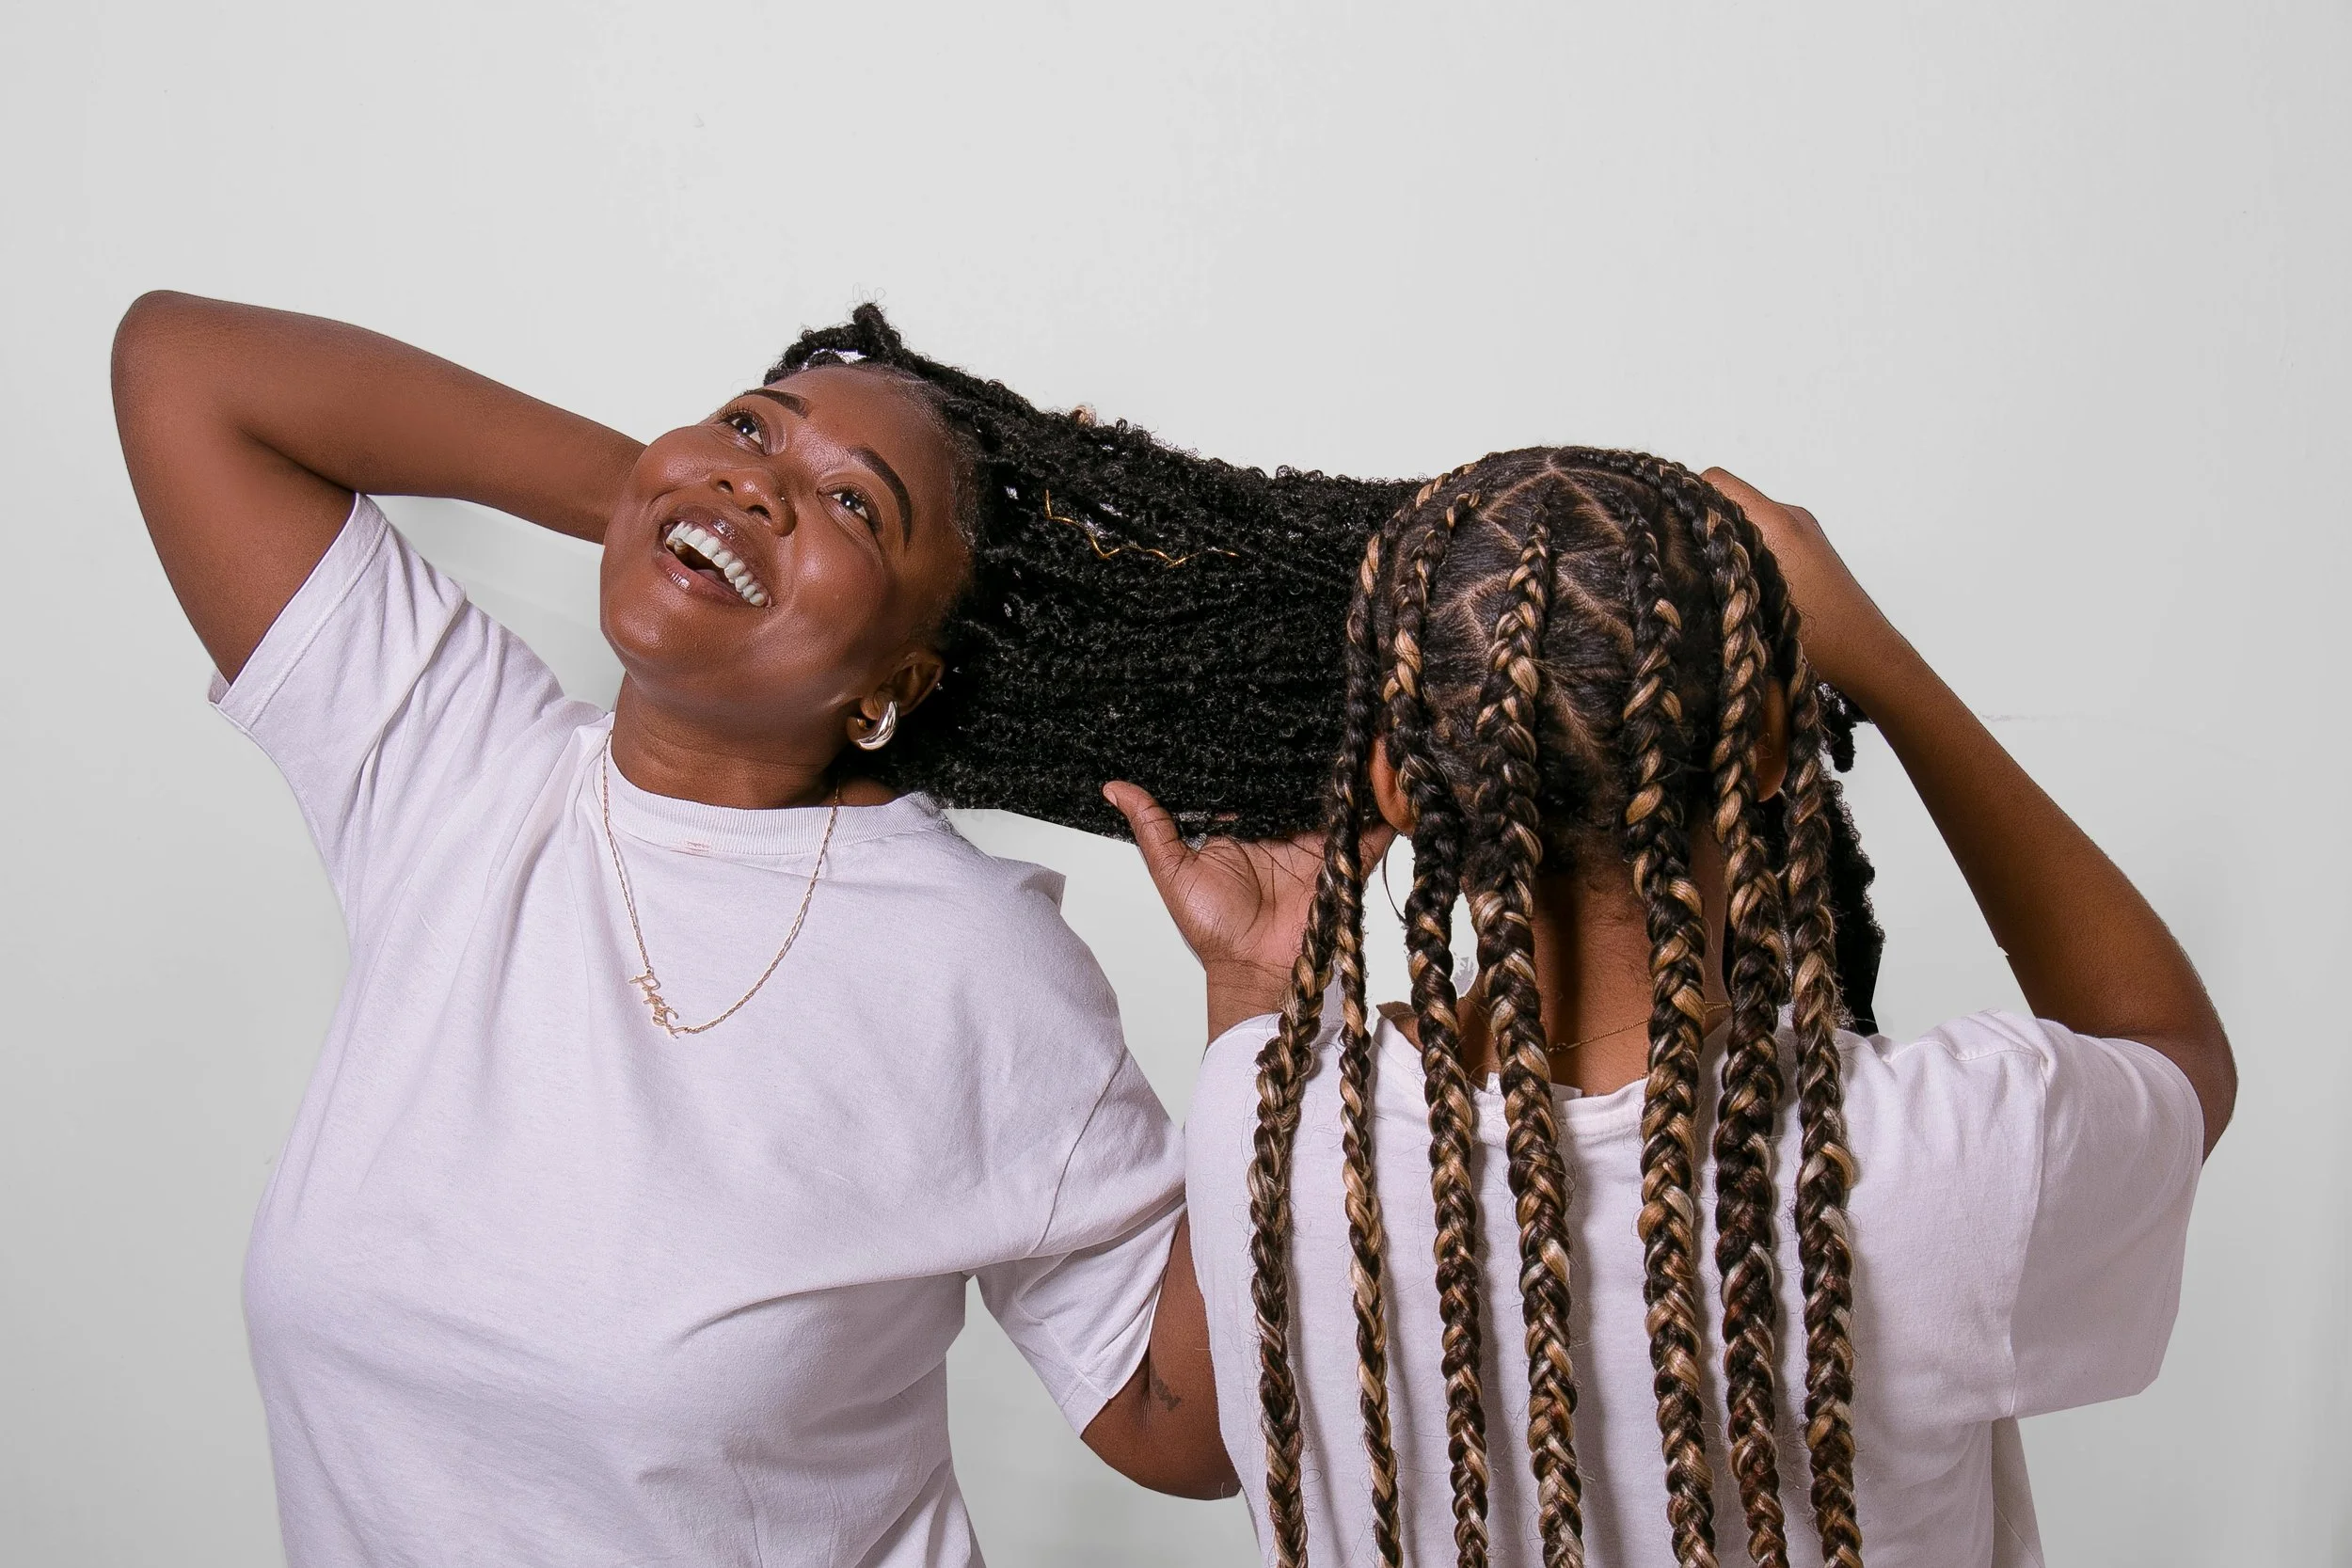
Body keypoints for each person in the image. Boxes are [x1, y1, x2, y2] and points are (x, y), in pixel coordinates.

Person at [108, 291, 1266, 1566]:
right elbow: (184, 367)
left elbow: (1180, 1430)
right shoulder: (461, 770)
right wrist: (688, 500)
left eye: (854, 505)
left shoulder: (970, 959)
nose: (764, 476)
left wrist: (1257, 995)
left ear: (897, 683)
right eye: (749, 426)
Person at [1108, 451, 2232, 1567]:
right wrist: (1885, 669)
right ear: (1775, 743)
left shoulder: (1272, 1113)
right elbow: (2170, 1051)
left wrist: (1262, 986)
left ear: (1397, 783)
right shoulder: (1932, 1155)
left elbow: (1211, 1430)